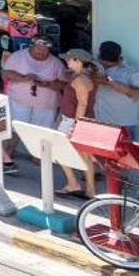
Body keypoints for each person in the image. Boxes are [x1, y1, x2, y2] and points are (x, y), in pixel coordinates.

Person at [55, 49, 98, 197]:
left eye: (69, 59)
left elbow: (82, 104)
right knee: (85, 156)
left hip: (74, 121)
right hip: (81, 121)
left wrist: (76, 125)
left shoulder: (80, 80)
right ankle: (90, 190)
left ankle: (73, 184)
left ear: (78, 61)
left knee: (59, 151)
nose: (67, 61)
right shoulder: (84, 77)